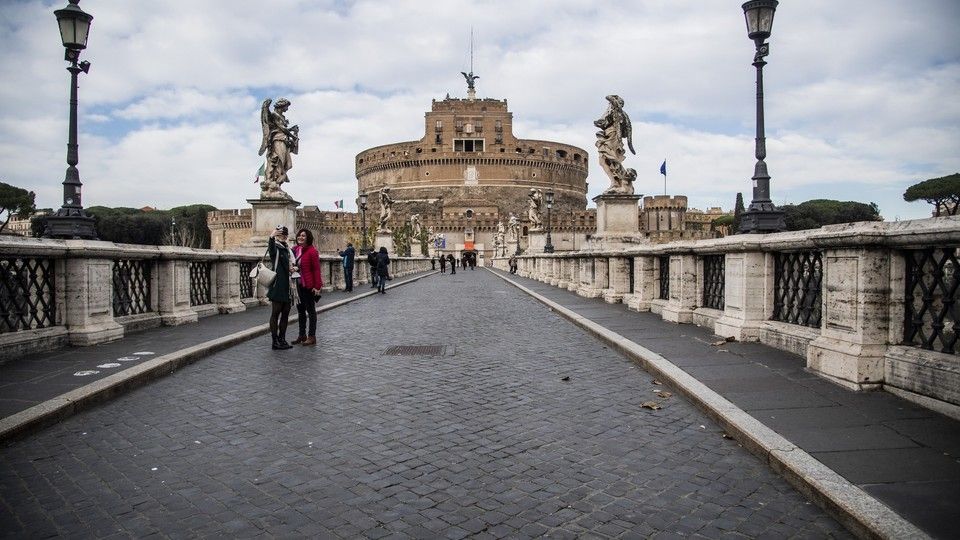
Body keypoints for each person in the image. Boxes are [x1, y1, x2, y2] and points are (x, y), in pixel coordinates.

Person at [291, 228, 322, 346]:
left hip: (308, 285)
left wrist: (317, 286)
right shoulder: (295, 250)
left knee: (311, 311)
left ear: (308, 238)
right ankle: (302, 335)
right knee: (300, 311)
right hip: (297, 285)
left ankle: (312, 336)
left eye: (303, 236)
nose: (300, 237)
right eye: (299, 235)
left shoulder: (312, 251)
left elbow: (316, 269)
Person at [267, 226, 295, 350]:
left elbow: (292, 264)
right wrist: (271, 237)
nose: (283, 236)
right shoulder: (276, 248)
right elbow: (271, 249)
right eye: (280, 235)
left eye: (284, 234)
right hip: (278, 285)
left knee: (285, 314)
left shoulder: (287, 249)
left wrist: (294, 268)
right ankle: (275, 341)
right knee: (275, 313)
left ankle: (282, 339)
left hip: (288, 286)